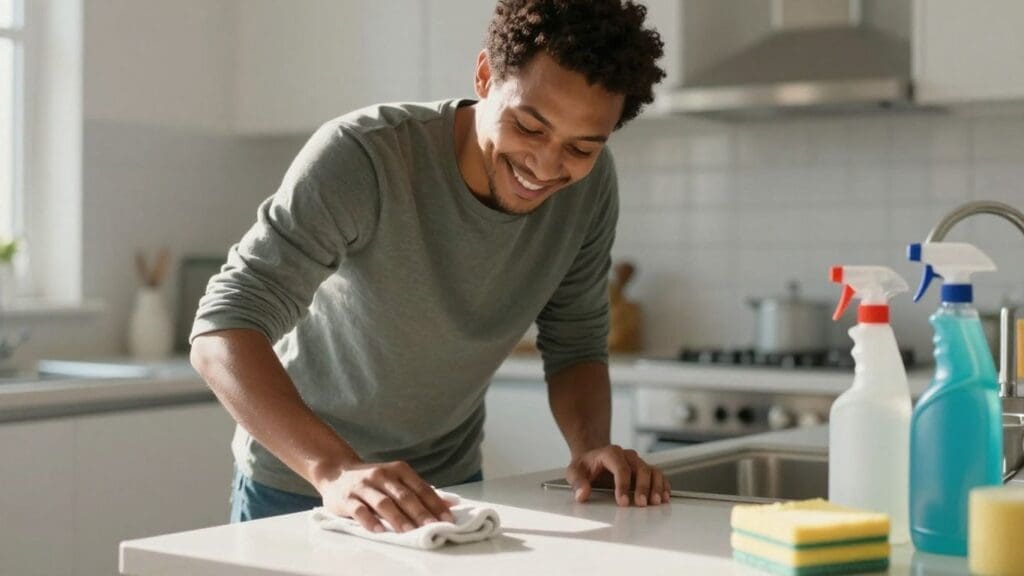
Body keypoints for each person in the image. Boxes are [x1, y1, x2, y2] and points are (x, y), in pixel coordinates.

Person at [189, 0, 668, 533]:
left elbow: (575, 341)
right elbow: (223, 329)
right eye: (530, 127)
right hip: (302, 484)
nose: (547, 166)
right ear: (485, 75)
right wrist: (337, 470)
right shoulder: (365, 156)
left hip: (450, 488)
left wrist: (591, 446)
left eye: (581, 147)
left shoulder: (592, 188)